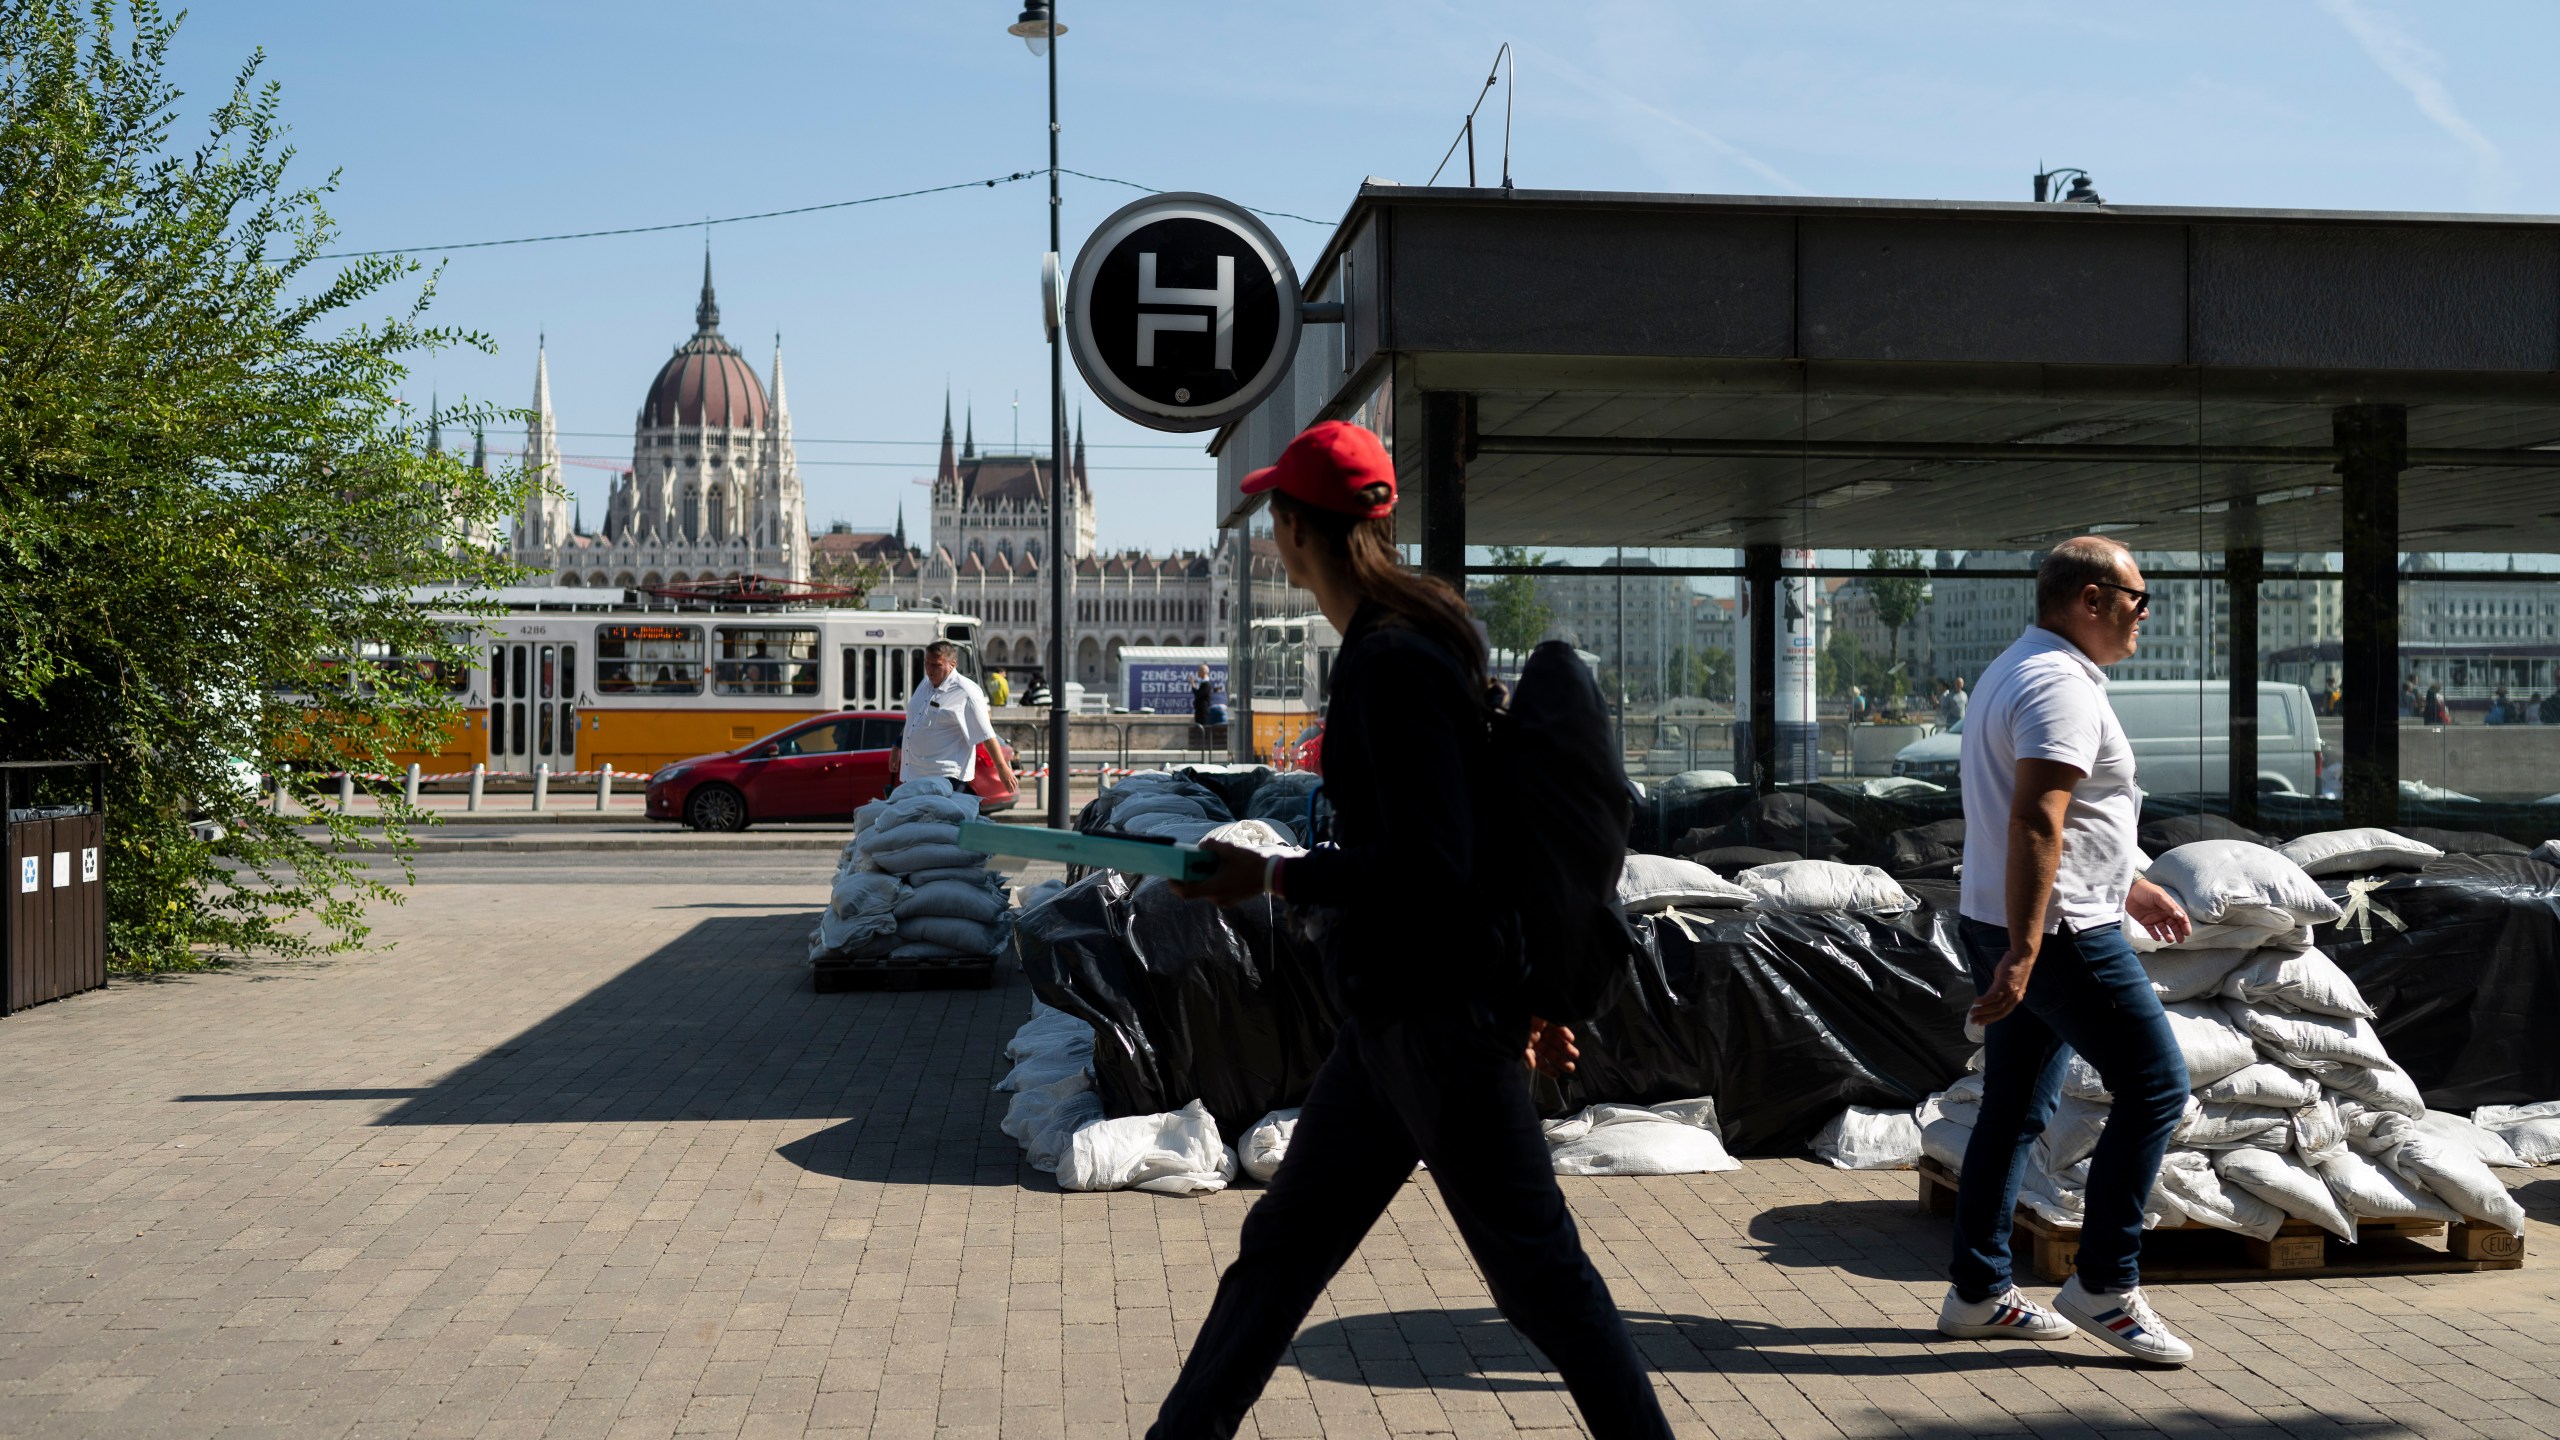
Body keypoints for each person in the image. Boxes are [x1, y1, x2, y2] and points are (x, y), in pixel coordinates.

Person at [1152, 421, 1673, 1439]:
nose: (1270, 540)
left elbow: (1437, 865)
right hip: (1397, 1023)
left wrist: (1274, 875)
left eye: (1274, 521)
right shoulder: (1420, 638)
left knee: (1543, 1282)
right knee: (1280, 1259)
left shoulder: (1388, 664)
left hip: (1432, 1023)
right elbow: (1478, 846)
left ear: (1298, 531)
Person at [1942, 535, 2197, 1367]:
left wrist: (2133, 882)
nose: (2143, 615)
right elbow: (2036, 819)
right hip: (2058, 933)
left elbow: (2075, 820)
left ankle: (1978, 1293)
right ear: (2089, 599)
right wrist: (2024, 950)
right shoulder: (2061, 687)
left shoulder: (2023, 667)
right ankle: (2104, 1286)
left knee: (2016, 1108)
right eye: (2136, 597)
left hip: (2020, 918)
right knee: (2157, 1085)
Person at [886, 640, 1017, 793]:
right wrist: (897, 747)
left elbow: (986, 734)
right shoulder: (925, 684)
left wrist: (1002, 768)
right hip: (915, 774)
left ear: (952, 663)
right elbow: (914, 720)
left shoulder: (966, 692)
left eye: (936, 665)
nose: (930, 670)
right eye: (927, 664)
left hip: (946, 777)